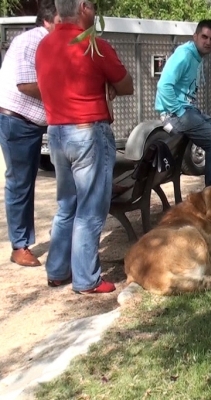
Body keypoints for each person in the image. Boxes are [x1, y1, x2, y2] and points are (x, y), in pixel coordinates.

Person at [35, 0, 134, 293]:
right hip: (88, 133)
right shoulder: (94, 45)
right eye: (91, 5)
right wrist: (109, 86)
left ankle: (57, 270)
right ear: (83, 8)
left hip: (56, 133)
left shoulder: (44, 46)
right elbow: (127, 84)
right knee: (90, 210)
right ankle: (86, 279)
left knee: (67, 205)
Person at [0, 0, 60, 267]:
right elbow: (25, 84)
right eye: (61, 22)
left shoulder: (45, 42)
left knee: (26, 181)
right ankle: (20, 246)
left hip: (29, 123)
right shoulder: (33, 41)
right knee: (20, 183)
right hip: (18, 122)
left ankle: (26, 240)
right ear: (47, 21)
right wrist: (63, 96)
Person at [155, 19, 211, 187]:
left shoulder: (198, 57)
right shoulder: (184, 55)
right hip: (175, 114)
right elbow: (163, 85)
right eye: (204, 37)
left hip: (189, 111)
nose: (208, 42)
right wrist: (179, 111)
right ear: (195, 36)